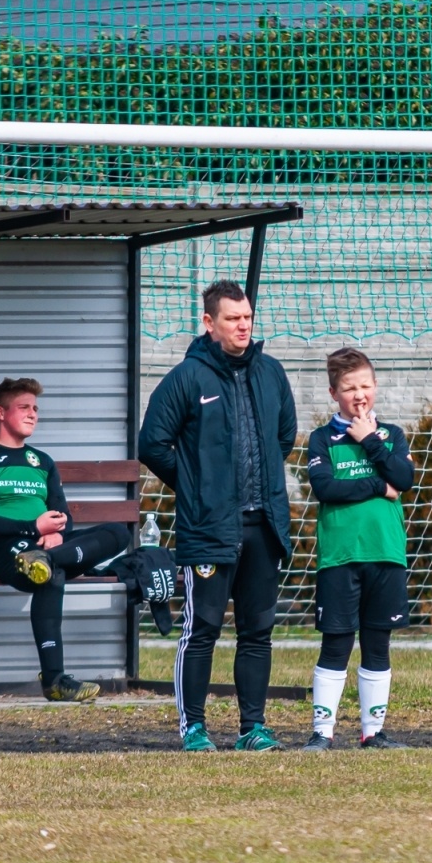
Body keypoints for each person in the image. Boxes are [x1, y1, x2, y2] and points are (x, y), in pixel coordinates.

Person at [139, 279, 297, 752]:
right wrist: (197, 487)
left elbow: (284, 437)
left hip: (263, 526)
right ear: (209, 323)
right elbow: (152, 444)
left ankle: (253, 728)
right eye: (232, 319)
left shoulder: (271, 372)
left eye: (247, 317)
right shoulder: (187, 377)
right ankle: (193, 728)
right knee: (202, 628)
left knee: (258, 632)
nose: (243, 326)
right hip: (209, 528)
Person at [0, 378, 128, 702]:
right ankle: (55, 679)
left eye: (35, 408)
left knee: (118, 533)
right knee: (49, 573)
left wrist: (57, 534)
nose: (33, 414)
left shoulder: (43, 461)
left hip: (42, 547)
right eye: (24, 407)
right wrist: (33, 527)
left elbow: (64, 515)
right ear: (0, 412)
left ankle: (49, 559)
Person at [301, 348, 415, 752]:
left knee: (377, 643)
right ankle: (322, 732)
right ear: (334, 393)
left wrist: (369, 440)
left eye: (365, 385)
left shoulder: (392, 436)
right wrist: (377, 486)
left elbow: (404, 478)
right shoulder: (322, 439)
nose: (359, 395)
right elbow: (326, 488)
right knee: (336, 643)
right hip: (340, 557)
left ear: (375, 386)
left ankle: (373, 732)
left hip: (386, 555)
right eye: (349, 388)